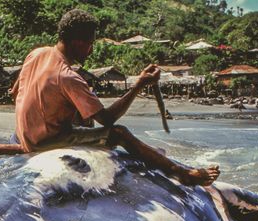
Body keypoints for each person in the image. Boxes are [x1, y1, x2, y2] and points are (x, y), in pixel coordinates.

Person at [12, 9, 219, 186]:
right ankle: (180, 173)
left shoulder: (36, 54)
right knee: (120, 133)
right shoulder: (67, 76)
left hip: (24, 135)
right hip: (42, 142)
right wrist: (139, 85)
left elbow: (15, 91)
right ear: (77, 42)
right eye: (90, 44)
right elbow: (107, 120)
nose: (91, 50)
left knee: (82, 116)